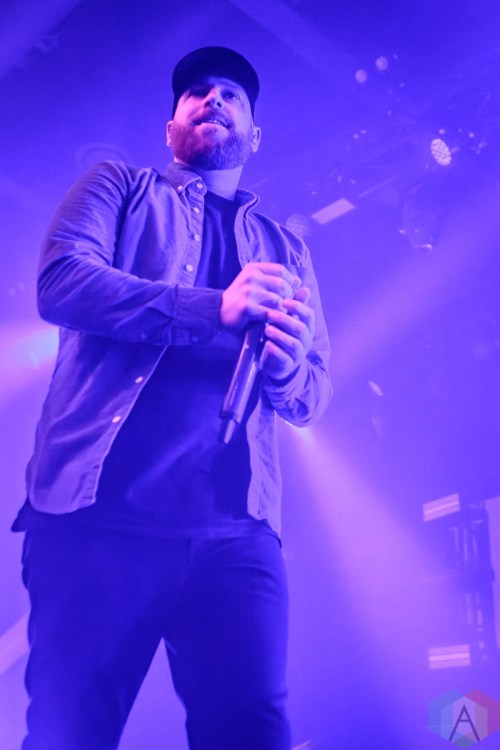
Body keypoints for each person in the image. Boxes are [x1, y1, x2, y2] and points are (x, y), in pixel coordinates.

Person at [13, 46, 332, 750]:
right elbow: (61, 283)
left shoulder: (287, 249)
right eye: (196, 92)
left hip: (235, 534)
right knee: (70, 736)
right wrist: (213, 307)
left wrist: (284, 368)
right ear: (170, 128)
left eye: (232, 95)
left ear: (254, 135)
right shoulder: (119, 187)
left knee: (252, 734)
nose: (214, 98)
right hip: (96, 522)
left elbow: (312, 395)